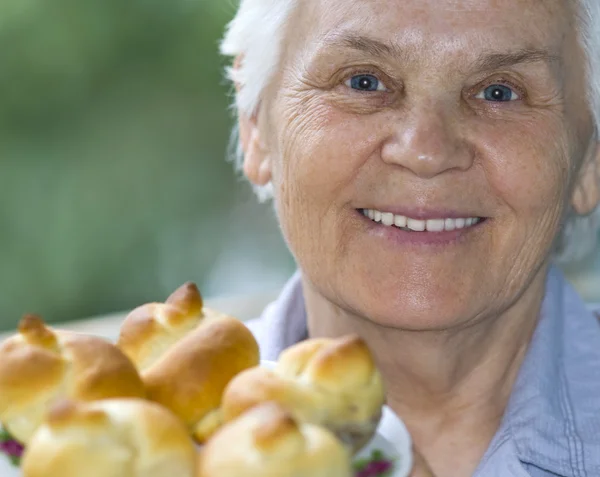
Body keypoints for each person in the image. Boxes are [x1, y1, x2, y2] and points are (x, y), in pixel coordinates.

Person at [218, 1, 600, 476]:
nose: (426, 151)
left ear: (590, 159)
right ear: (255, 124)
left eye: (500, 93)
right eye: (364, 82)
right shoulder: (128, 432)